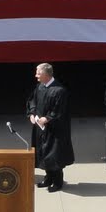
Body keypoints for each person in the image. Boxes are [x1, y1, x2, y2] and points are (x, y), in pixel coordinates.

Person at [28, 63, 75, 193]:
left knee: (54, 155)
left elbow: (60, 110)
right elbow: (32, 101)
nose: (36, 75)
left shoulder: (59, 90)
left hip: (55, 130)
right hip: (41, 129)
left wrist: (48, 118)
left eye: (38, 72)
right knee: (43, 153)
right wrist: (32, 113)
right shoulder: (40, 87)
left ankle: (58, 182)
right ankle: (48, 178)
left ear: (46, 74)